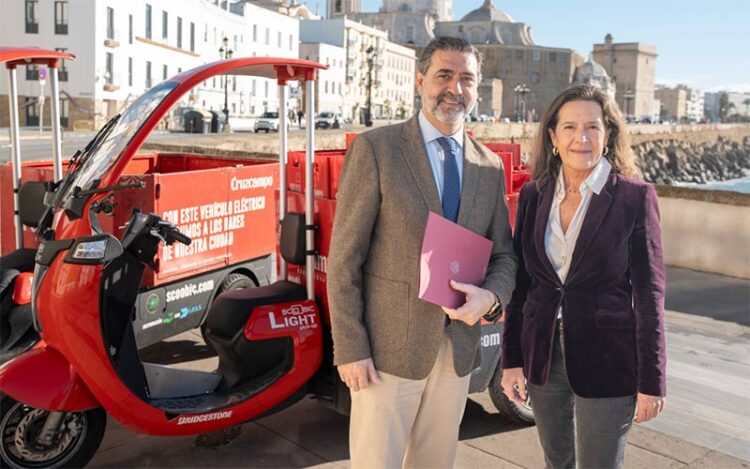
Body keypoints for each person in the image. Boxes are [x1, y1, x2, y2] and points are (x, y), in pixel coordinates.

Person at [328, 36, 517, 469]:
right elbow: (345, 261)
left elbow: (505, 257)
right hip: (386, 352)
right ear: (420, 81)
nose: (455, 88)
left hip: (456, 353)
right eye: (444, 75)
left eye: (466, 78)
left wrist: (490, 299)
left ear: (478, 86)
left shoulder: (489, 167)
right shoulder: (377, 150)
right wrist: (351, 348)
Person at [501, 84, 667, 469]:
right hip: (542, 354)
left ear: (607, 135)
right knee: (556, 461)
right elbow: (523, 286)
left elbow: (649, 295)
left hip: (608, 358)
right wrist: (511, 360)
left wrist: (652, 380)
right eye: (571, 127)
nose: (582, 138)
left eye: (592, 127)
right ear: (554, 137)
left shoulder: (634, 198)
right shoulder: (533, 195)